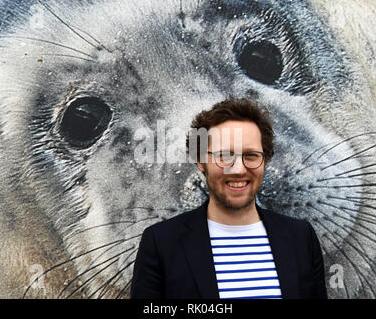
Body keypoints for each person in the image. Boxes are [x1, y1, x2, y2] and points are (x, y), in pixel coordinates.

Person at [130, 98, 327, 299]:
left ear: (265, 161)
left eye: (251, 155)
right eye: (224, 156)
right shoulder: (161, 243)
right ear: (201, 162)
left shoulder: (301, 237)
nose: (239, 169)